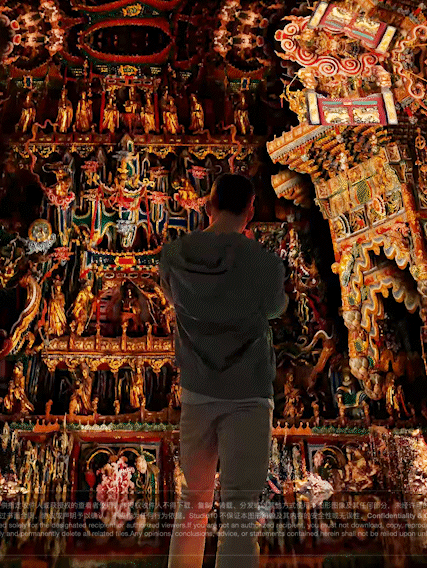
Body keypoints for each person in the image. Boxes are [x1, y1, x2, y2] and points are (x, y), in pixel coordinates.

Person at [159, 174, 287, 568]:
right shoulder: (264, 263)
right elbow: (275, 307)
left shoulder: (174, 255)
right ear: (250, 210)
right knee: (240, 511)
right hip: (249, 393)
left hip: (197, 390)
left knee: (192, 502)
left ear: (208, 205)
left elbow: (171, 297)